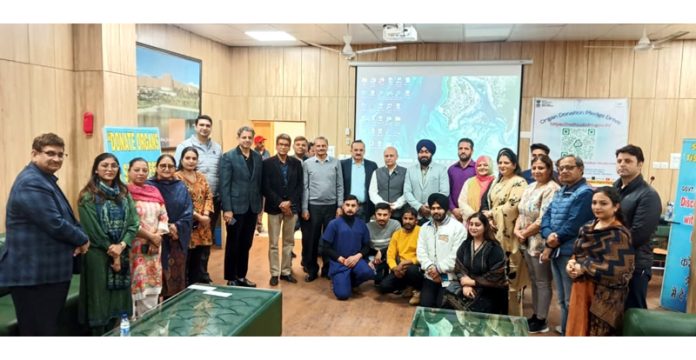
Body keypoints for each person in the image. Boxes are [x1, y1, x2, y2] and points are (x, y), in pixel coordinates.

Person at [0, 133, 89, 336]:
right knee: (38, 333)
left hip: (45, 274)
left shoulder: (44, 179)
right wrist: (82, 239)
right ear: (34, 154)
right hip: (34, 276)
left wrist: (80, 233)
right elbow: (55, 223)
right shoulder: (31, 182)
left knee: (45, 330)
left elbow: (66, 216)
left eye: (60, 154)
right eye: (50, 153)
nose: (56, 159)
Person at [77, 153, 139, 335]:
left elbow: (134, 223)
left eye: (114, 165)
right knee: (100, 302)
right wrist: (114, 250)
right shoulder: (87, 196)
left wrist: (122, 245)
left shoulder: (124, 193)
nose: (109, 169)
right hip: (98, 256)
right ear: (96, 169)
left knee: (119, 303)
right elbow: (93, 231)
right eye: (105, 165)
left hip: (123, 251)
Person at [565, 187, 635, 336]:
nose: (597, 207)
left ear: (615, 207)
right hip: (581, 290)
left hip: (604, 296)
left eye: (603, 203)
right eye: (594, 202)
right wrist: (571, 264)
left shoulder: (619, 234)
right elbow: (577, 253)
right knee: (577, 329)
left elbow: (620, 271)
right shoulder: (586, 228)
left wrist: (584, 267)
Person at [540, 155, 594, 335]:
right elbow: (546, 217)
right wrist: (548, 236)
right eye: (561, 168)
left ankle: (571, 332)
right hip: (557, 248)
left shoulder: (586, 193)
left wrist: (554, 239)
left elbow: (574, 224)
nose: (564, 171)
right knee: (562, 298)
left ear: (581, 169)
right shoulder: (560, 191)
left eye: (569, 167)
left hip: (571, 252)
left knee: (572, 299)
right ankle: (566, 329)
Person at [514, 154, 560, 333]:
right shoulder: (531, 186)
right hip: (525, 239)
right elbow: (521, 212)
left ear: (549, 169)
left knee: (542, 281)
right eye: (534, 168)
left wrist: (524, 233)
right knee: (533, 279)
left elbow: (543, 219)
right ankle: (535, 314)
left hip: (540, 241)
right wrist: (518, 231)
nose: (537, 171)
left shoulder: (552, 188)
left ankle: (542, 319)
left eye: (541, 168)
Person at [613, 144, 662, 310]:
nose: (622, 164)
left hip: (635, 263)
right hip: (611, 260)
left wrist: (605, 245)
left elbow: (639, 234)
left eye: (628, 161)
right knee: (613, 312)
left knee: (633, 313)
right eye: (619, 160)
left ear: (640, 164)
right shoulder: (614, 190)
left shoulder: (648, 195)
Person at [174, 114, 222, 284]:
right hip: (187, 214)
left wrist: (206, 214)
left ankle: (202, 274)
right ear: (195, 126)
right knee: (188, 247)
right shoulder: (184, 147)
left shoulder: (217, 147)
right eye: (201, 124)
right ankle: (185, 278)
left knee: (204, 245)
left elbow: (209, 190)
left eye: (208, 125)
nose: (204, 128)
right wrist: (197, 215)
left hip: (209, 207)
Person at [482, 148, 528, 316]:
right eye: (500, 162)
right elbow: (489, 203)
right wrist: (489, 218)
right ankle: (495, 313)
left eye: (506, 162)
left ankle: (513, 319)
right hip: (494, 234)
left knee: (511, 279)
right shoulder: (497, 181)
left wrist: (493, 214)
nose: (502, 165)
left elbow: (511, 208)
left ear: (514, 164)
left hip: (510, 238)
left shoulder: (519, 182)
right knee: (494, 275)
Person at [220, 126, 263, 287]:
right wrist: (227, 209)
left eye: (249, 137)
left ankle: (242, 276)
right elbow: (224, 185)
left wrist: (259, 210)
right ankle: (231, 277)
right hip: (235, 209)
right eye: (244, 137)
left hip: (252, 208)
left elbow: (258, 184)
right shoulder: (228, 157)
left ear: (253, 139)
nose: (247, 140)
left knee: (246, 243)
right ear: (238, 138)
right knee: (233, 243)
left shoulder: (257, 157)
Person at [126, 157, 169, 319]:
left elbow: (164, 216)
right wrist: (151, 236)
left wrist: (157, 237)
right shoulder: (124, 193)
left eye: (144, 170)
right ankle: (132, 326)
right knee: (135, 285)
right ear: (128, 171)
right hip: (134, 247)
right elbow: (128, 221)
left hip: (154, 248)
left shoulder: (154, 191)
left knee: (152, 285)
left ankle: (149, 324)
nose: (141, 173)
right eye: (136, 170)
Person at [444, 212, 509, 315]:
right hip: (467, 285)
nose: (473, 227)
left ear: (485, 227)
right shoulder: (465, 245)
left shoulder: (494, 248)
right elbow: (459, 267)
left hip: (490, 289)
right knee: (448, 298)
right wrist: (465, 284)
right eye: (471, 224)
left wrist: (472, 282)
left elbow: (496, 275)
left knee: (477, 309)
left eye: (477, 225)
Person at [147, 154, 193, 298]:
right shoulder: (148, 187)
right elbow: (145, 212)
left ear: (175, 168)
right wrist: (163, 227)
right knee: (154, 279)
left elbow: (188, 211)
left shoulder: (180, 186)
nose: (167, 169)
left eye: (170, 166)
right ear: (156, 168)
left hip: (175, 238)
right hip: (153, 238)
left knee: (176, 279)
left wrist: (177, 227)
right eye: (163, 166)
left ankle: (174, 310)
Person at [262, 133, 303, 286]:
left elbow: (300, 186)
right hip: (274, 208)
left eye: (286, 144)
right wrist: (281, 203)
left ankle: (286, 271)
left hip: (291, 209)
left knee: (289, 242)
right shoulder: (267, 163)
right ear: (276, 145)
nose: (283, 147)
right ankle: (274, 273)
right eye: (281, 144)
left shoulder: (296, 163)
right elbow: (265, 187)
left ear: (289, 146)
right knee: (273, 243)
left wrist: (290, 202)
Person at [302, 136, 344, 282]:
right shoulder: (307, 164)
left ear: (327, 147)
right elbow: (305, 187)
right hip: (313, 206)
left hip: (331, 206)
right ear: (314, 148)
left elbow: (340, 185)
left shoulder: (335, 163)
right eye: (318, 146)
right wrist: (304, 208)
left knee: (329, 240)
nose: (321, 148)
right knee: (312, 240)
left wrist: (339, 206)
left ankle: (327, 269)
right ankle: (312, 269)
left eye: (323, 146)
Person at [416, 193, 467, 308]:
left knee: (442, 306)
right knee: (425, 305)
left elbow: (456, 256)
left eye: (439, 208)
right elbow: (421, 251)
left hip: (449, 277)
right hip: (430, 275)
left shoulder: (458, 228)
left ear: (446, 209)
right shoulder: (424, 227)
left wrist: (438, 269)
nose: (436, 211)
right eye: (433, 208)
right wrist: (430, 268)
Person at [320, 195, 374, 300]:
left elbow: (367, 246)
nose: (350, 208)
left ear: (358, 208)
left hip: (356, 260)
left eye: (353, 205)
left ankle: (352, 282)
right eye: (347, 205)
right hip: (339, 262)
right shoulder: (334, 224)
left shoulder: (362, 224)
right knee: (343, 295)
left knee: (368, 272)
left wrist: (357, 256)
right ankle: (338, 281)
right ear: (343, 207)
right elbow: (326, 247)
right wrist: (340, 259)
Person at [175, 147, 214, 285]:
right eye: (187, 158)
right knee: (186, 259)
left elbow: (209, 196)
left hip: (202, 225)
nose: (191, 161)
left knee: (198, 259)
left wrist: (206, 214)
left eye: (194, 158)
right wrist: (198, 216)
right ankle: (184, 290)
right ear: (181, 159)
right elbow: (179, 202)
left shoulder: (201, 177)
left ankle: (194, 288)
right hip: (186, 224)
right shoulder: (176, 177)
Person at [378, 206, 423, 306]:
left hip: (416, 266)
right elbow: (390, 255)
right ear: (402, 219)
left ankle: (417, 291)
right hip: (400, 267)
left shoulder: (421, 232)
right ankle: (407, 286)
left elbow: (425, 255)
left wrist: (410, 261)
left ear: (416, 220)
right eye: (405, 218)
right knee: (383, 287)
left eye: (411, 219)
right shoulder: (397, 234)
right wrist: (395, 269)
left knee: (412, 271)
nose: (408, 221)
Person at [404, 139, 450, 225]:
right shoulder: (410, 170)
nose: (424, 154)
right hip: (415, 215)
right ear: (418, 154)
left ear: (431, 153)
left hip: (433, 213)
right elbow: (407, 192)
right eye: (421, 152)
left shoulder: (441, 169)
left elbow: (444, 191)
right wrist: (419, 206)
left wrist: (428, 205)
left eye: (427, 152)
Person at [341, 140, 378, 221]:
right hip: (347, 207)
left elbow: (376, 187)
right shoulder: (342, 164)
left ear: (364, 151)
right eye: (356, 150)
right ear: (351, 150)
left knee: (362, 231)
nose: (358, 152)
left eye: (361, 150)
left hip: (365, 207)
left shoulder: (372, 165)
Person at [368, 146, 407, 222]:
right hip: (381, 214)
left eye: (391, 156)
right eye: (386, 156)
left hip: (399, 213)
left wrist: (396, 205)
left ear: (397, 157)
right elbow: (372, 192)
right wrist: (384, 204)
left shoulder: (405, 172)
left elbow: (407, 192)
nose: (389, 158)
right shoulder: (377, 172)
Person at [366, 203, 401, 285]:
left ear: (389, 215)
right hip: (374, 254)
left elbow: (397, 244)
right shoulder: (367, 226)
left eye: (385, 215)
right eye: (379, 214)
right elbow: (365, 246)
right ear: (375, 215)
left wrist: (382, 251)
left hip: (390, 253)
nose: (382, 217)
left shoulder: (396, 224)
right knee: (378, 281)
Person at [457, 155, 495, 222]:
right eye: (479, 165)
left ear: (490, 166)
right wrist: (475, 216)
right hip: (472, 221)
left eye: (485, 165)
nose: (482, 167)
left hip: (491, 221)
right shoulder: (469, 182)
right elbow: (462, 201)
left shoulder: (496, 181)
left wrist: (489, 215)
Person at [448, 138, 476, 222]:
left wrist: (468, 212)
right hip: (454, 214)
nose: (463, 151)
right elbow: (447, 192)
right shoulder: (451, 169)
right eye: (460, 148)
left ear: (472, 151)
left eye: (466, 149)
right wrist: (453, 209)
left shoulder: (477, 169)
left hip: (472, 213)